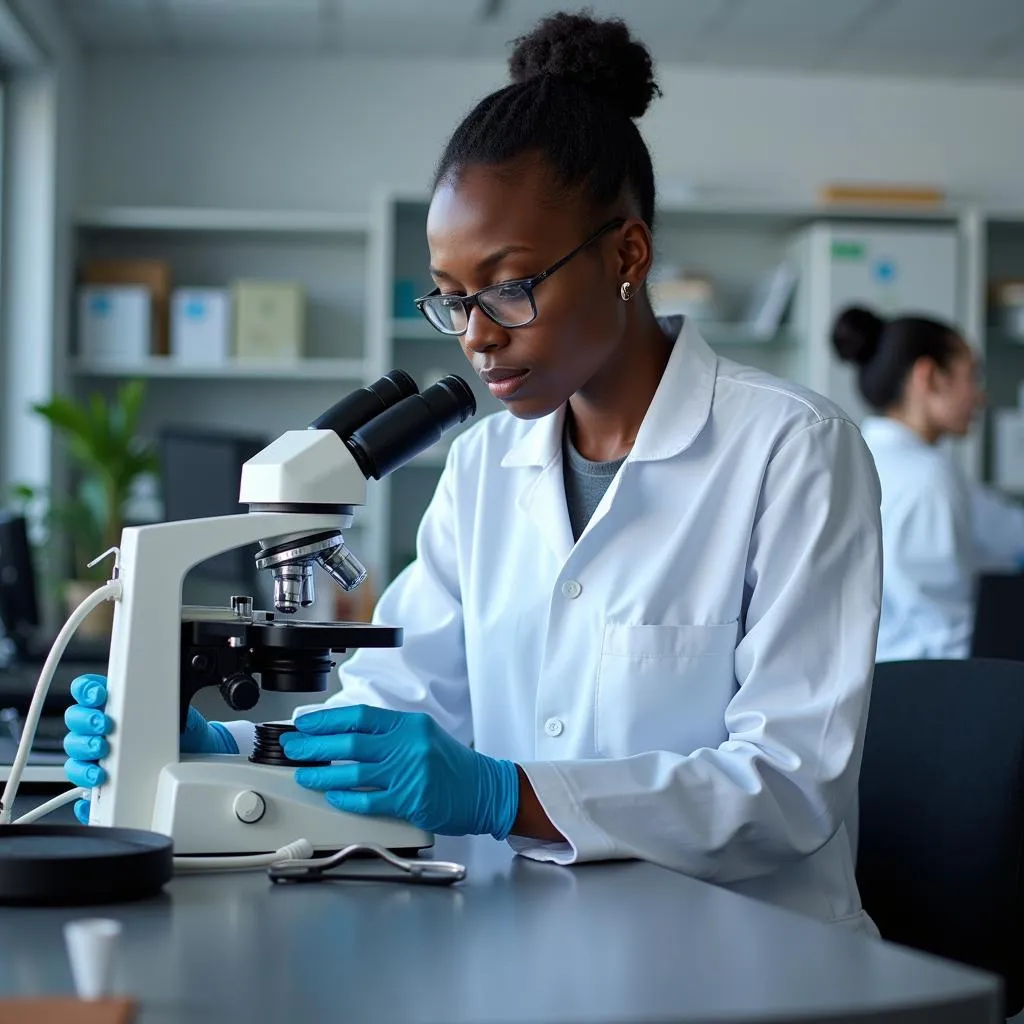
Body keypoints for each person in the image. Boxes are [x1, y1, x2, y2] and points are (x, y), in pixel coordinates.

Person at [65, 12, 883, 931]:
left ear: (628, 254)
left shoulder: (793, 449)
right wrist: (232, 748)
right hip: (534, 935)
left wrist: (506, 798)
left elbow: (791, 785)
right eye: (452, 299)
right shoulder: (484, 464)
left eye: (508, 285)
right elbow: (401, 703)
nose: (477, 334)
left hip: (756, 960)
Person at [833, 306, 1024, 661]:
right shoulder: (927, 476)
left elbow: (1000, 531)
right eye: (972, 376)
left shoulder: (860, 455)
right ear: (930, 376)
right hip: (922, 681)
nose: (979, 395)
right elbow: (947, 632)